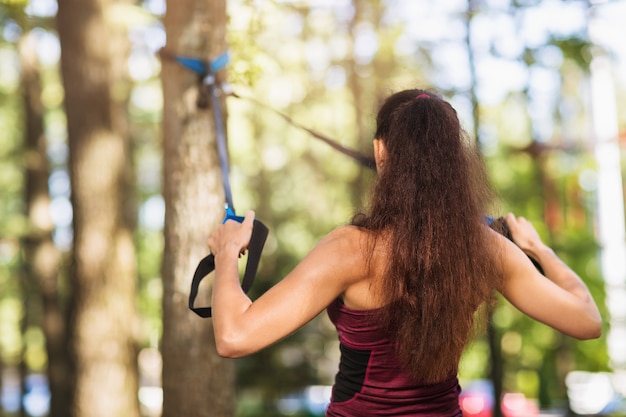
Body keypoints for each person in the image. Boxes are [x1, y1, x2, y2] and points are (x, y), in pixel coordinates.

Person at [207, 89, 602, 416]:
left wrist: (227, 253)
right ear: (455, 162)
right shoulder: (486, 250)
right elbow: (587, 320)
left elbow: (235, 336)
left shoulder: (352, 250)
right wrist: (539, 248)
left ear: (381, 152)